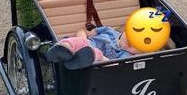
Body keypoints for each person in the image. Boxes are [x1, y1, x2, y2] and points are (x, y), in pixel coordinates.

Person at [46, 26, 175, 70]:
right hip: (84, 45)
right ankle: (63, 49)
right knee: (77, 41)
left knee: (103, 60)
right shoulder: (109, 31)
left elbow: (148, 60)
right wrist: (84, 39)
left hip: (101, 63)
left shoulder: (127, 56)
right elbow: (82, 31)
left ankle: (84, 57)